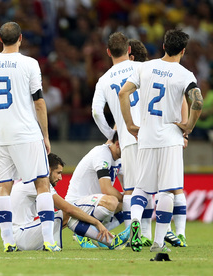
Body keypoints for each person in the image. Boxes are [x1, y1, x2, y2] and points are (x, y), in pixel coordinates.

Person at [119, 29, 203, 252]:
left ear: (164, 46)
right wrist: (189, 127)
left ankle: (135, 221)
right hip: (170, 138)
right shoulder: (185, 74)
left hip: (145, 136)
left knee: (142, 188)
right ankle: (158, 242)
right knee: (167, 190)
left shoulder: (145, 67)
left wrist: (129, 124)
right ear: (183, 51)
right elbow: (198, 101)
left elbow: (122, 94)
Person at [0, 22, 58, 252]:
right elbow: (39, 103)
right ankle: (48, 240)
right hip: (27, 134)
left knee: (3, 187)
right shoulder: (30, 64)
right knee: (42, 184)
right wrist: (45, 135)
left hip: (3, 136)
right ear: (21, 38)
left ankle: (8, 241)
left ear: (0, 40)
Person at [91, 33, 152, 237]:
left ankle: (130, 232)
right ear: (129, 50)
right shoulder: (142, 67)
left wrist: (112, 134)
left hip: (127, 138)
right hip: (151, 133)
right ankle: (148, 235)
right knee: (151, 186)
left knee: (130, 189)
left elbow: (96, 112)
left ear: (108, 52)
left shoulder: (103, 80)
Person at [10, 153, 125, 251]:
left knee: (67, 214)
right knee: (68, 214)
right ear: (48, 170)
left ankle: (108, 240)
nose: (60, 177)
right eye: (58, 172)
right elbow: (68, 209)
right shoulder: (37, 183)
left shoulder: (29, 180)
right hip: (23, 236)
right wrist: (96, 223)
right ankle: (111, 241)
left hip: (19, 235)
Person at [64, 132, 127, 247]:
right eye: (127, 148)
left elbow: (127, 187)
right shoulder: (102, 154)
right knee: (112, 201)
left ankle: (98, 235)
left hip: (93, 203)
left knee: (129, 203)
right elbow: (106, 189)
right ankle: (81, 232)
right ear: (117, 144)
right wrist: (125, 198)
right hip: (76, 203)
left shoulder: (119, 159)